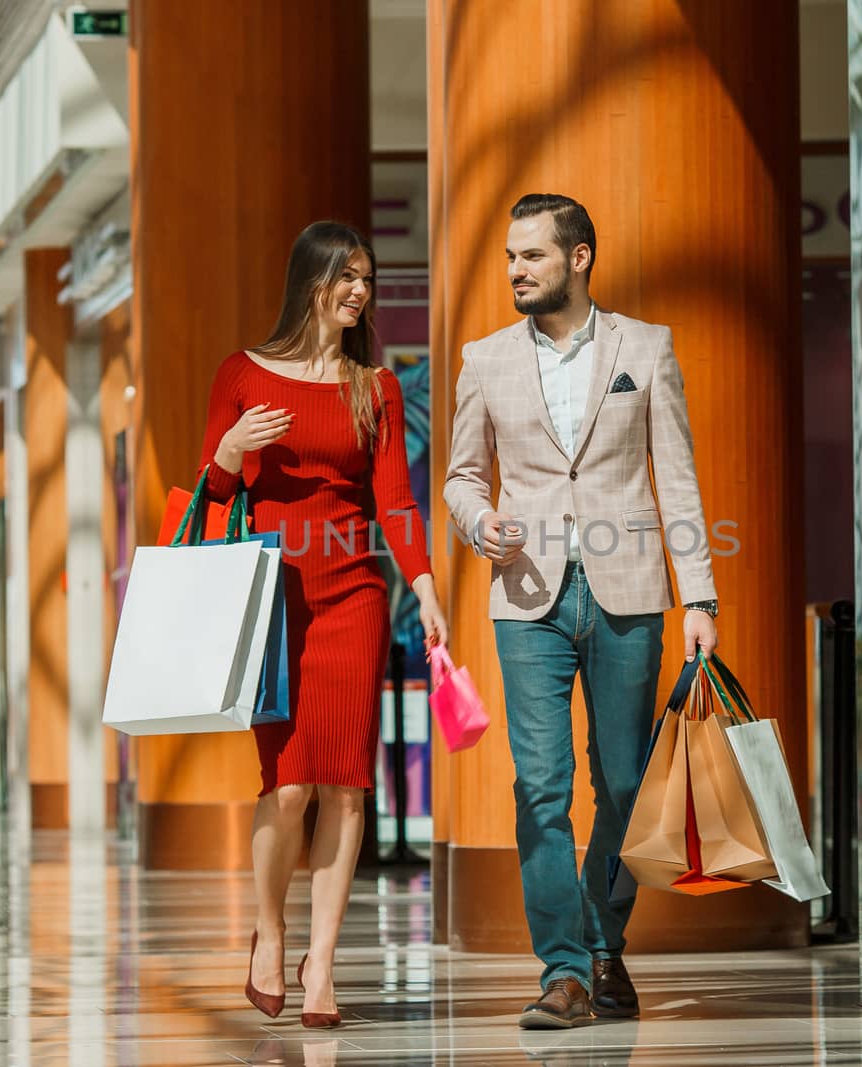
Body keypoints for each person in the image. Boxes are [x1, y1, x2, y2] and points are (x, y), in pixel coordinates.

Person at [443, 194, 721, 1029]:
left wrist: (700, 594)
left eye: (531, 255)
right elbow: (461, 475)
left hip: (631, 587)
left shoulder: (647, 347)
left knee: (627, 782)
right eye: (509, 256)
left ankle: (606, 943)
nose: (515, 270)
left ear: (580, 257)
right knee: (540, 784)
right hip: (525, 594)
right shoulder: (484, 359)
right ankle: (564, 970)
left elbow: (676, 473)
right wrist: (477, 518)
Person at [198, 220, 447, 1030]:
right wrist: (232, 447)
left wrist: (426, 586)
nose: (360, 293)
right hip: (274, 600)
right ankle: (270, 932)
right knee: (290, 783)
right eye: (348, 277)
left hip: (353, 598)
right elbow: (210, 490)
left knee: (346, 789)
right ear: (310, 280)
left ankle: (322, 967)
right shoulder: (241, 373)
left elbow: (397, 503)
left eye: (367, 280)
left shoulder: (373, 386)